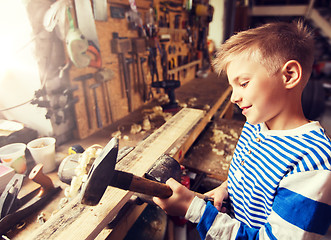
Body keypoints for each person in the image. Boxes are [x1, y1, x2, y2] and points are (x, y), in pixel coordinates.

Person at [153, 20, 331, 239]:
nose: (234, 98)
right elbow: (250, 178)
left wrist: (194, 210)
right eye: (232, 86)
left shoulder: (312, 164)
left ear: (289, 75)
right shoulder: (255, 125)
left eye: (244, 83)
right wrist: (228, 190)